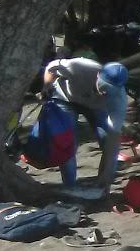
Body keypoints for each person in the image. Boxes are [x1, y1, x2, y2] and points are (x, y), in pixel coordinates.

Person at [42, 57, 130, 192]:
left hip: (96, 108)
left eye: (110, 92)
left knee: (110, 144)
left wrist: (106, 175)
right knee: (66, 142)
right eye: (104, 87)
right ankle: (70, 187)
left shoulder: (119, 100)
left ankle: (102, 186)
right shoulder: (79, 67)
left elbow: (113, 138)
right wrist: (46, 86)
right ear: (98, 75)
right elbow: (51, 67)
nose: (105, 93)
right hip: (66, 98)